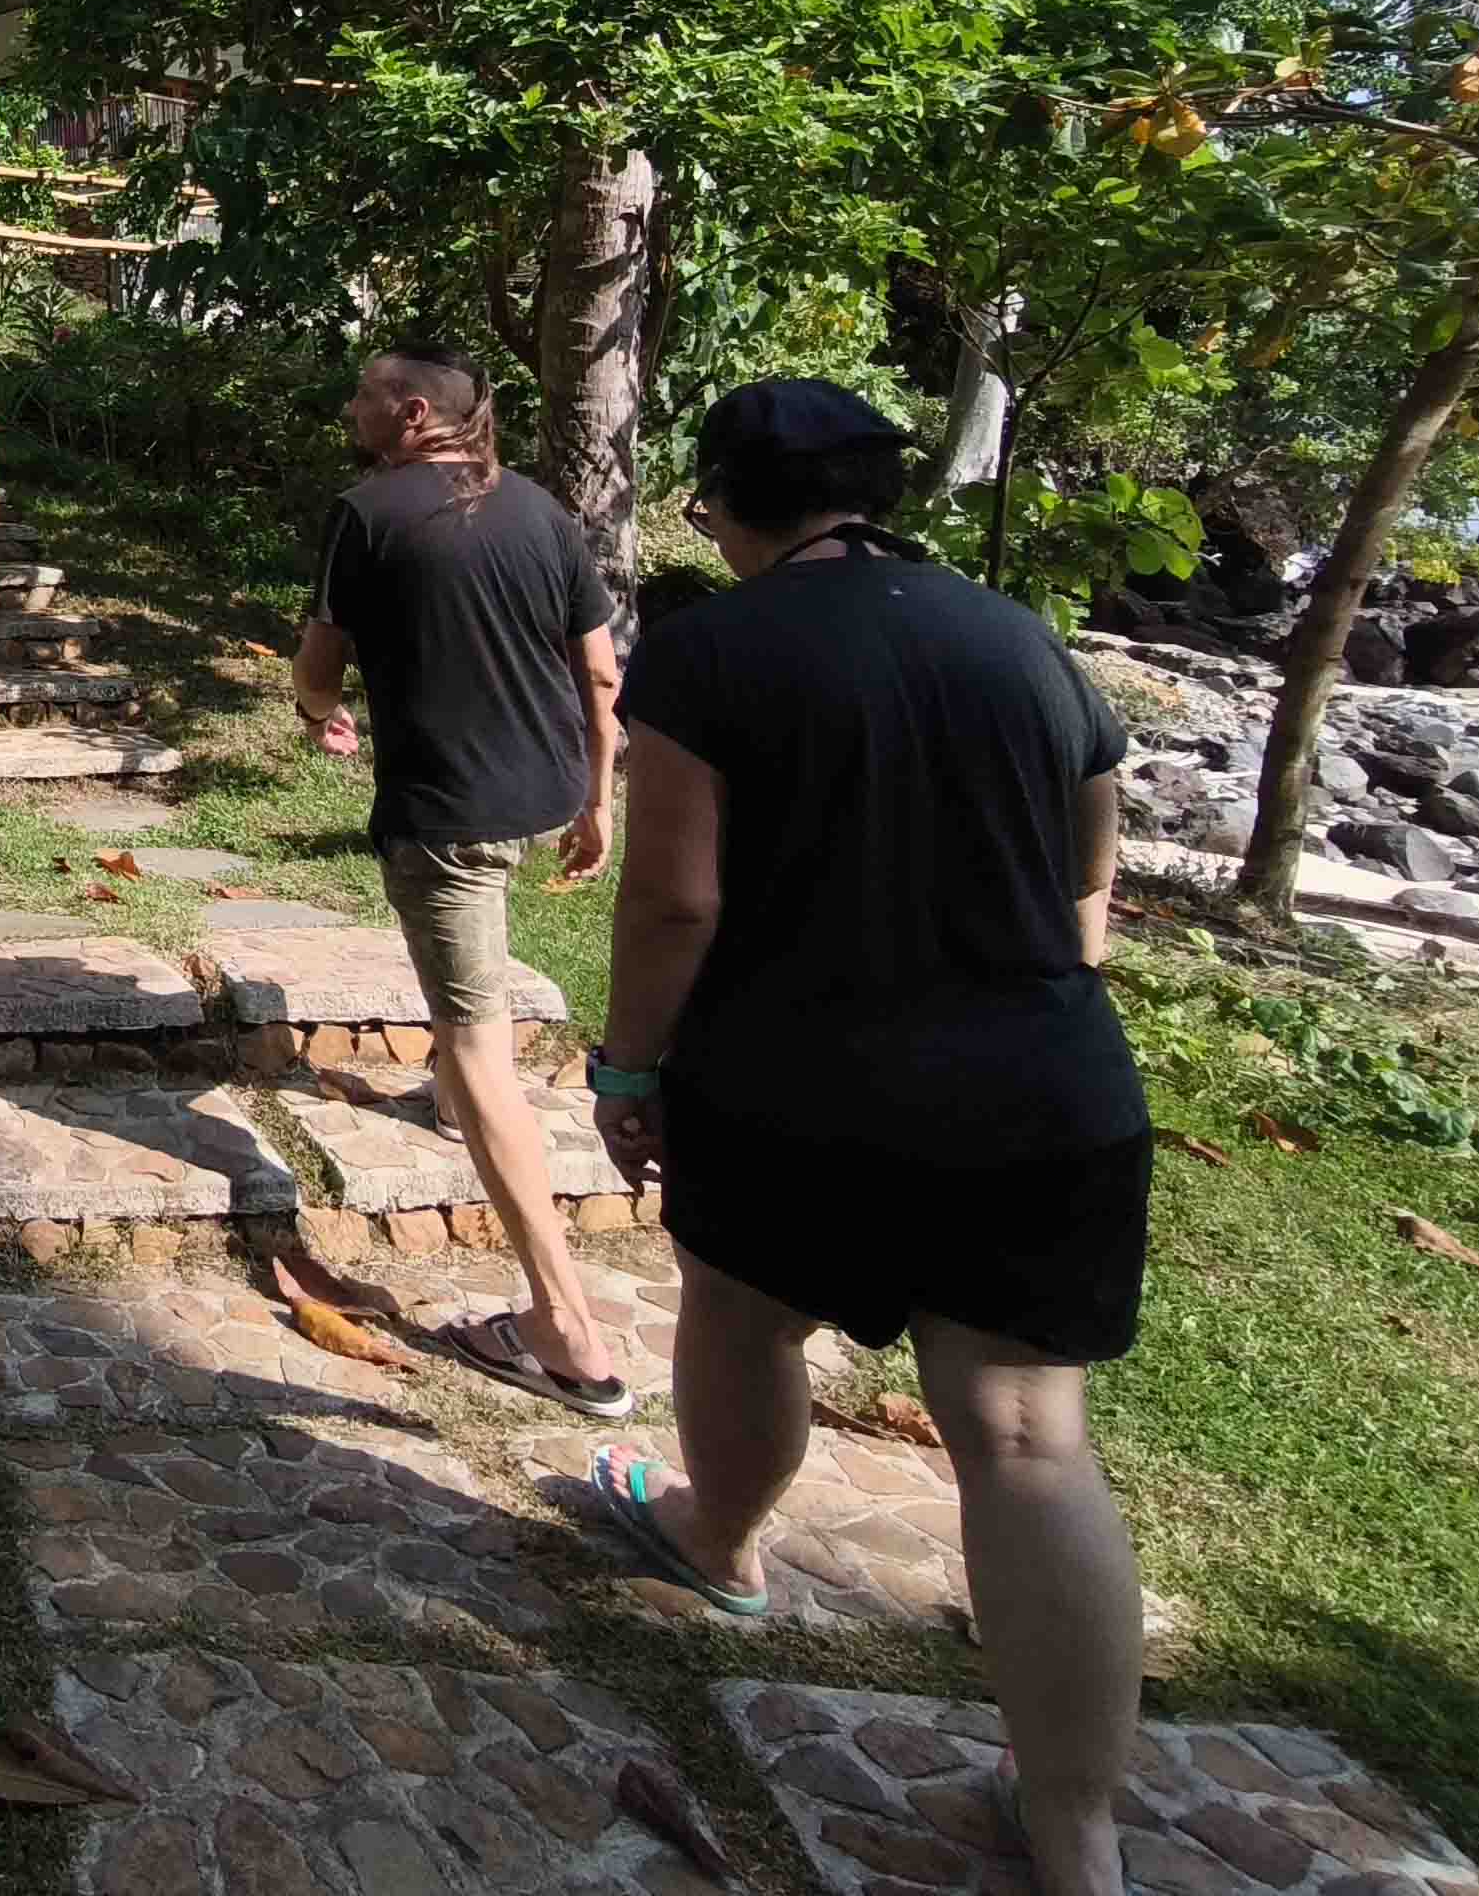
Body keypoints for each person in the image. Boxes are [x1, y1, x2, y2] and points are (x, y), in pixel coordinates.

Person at [582, 379, 1147, 1896]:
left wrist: (628, 1071)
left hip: (799, 1075)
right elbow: (1090, 878)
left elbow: (675, 899)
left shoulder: (712, 648)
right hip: (1045, 1083)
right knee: (1027, 1438)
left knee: (743, 1317)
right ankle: (1077, 1831)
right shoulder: (1020, 636)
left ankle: (717, 1539)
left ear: (724, 504)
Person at [291, 343, 630, 1414]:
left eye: (364, 393)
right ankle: (447, 1101)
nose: (350, 406)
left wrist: (316, 711)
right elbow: (599, 670)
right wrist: (598, 795)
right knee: (470, 999)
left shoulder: (367, 514)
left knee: (478, 1040)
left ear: (409, 412)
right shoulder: (539, 510)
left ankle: (566, 1330)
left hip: (449, 815)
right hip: (542, 792)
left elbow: (319, 666)